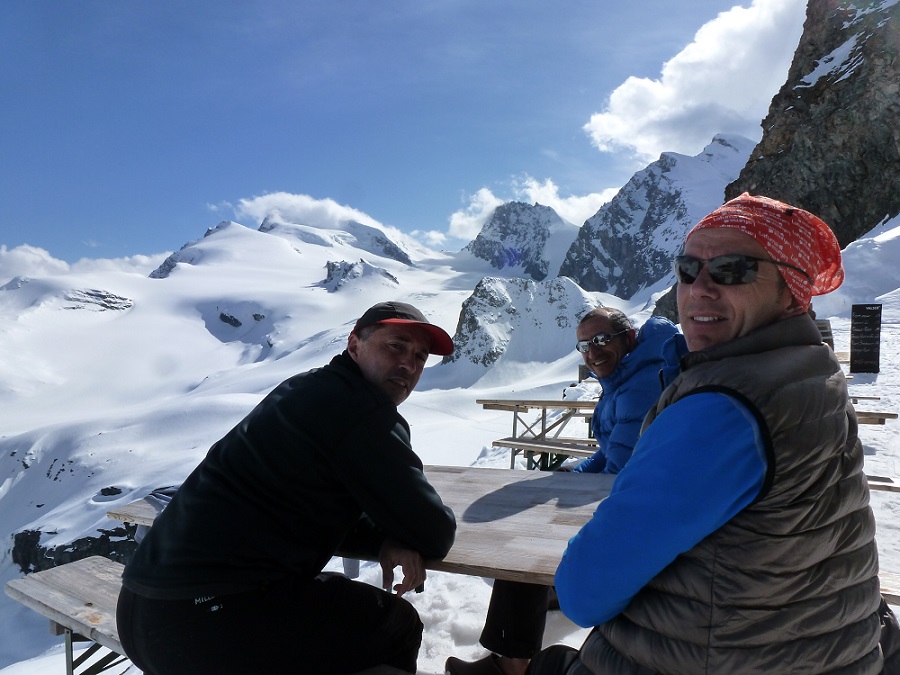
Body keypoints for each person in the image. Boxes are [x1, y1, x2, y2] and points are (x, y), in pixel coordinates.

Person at [527, 193, 900, 674]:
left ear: (790, 290)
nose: (699, 287)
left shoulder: (721, 408)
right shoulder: (809, 368)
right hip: (811, 645)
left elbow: (583, 591)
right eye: (687, 269)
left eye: (733, 269)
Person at [116, 301, 458, 675]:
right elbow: (434, 531)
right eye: (396, 345)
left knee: (337, 602)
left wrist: (381, 541)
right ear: (355, 345)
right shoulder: (360, 413)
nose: (409, 364)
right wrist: (398, 534)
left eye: (420, 357)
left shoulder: (306, 388)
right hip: (206, 622)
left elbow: (306, 506)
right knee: (395, 625)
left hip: (143, 610)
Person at [445, 309, 679, 675]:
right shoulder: (631, 373)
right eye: (584, 345)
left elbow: (618, 474)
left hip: (644, 519)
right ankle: (545, 596)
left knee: (525, 543)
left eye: (601, 340)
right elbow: (614, 451)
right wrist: (572, 476)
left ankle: (510, 664)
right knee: (535, 519)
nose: (593, 351)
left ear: (628, 337)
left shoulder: (640, 385)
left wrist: (570, 488)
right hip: (641, 503)